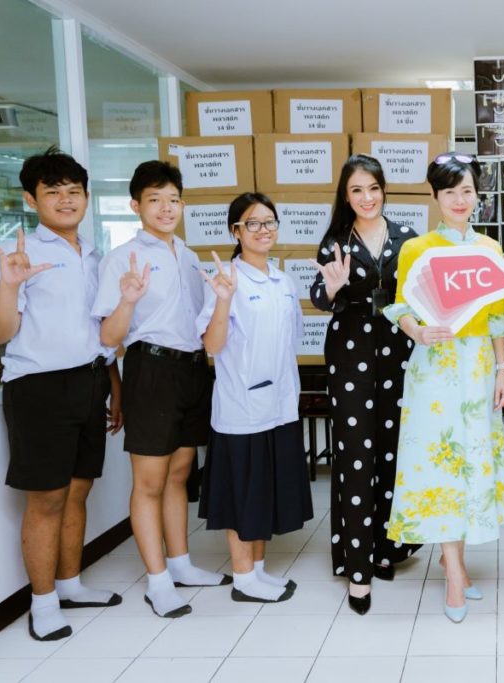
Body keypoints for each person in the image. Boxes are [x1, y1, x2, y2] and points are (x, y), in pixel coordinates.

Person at [0, 147, 123, 641]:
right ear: (30, 198)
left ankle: (70, 584)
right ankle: (42, 604)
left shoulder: (94, 253)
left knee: (80, 489)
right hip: (38, 387)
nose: (65, 200)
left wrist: (114, 387)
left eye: (74, 191)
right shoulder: (13, 254)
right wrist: (8, 285)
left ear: (86, 197)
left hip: (91, 380)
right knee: (46, 499)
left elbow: (100, 331)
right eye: (53, 192)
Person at [93, 160, 227, 619]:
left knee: (179, 472)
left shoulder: (188, 255)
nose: (166, 208)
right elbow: (109, 338)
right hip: (150, 369)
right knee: (149, 481)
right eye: (155, 199)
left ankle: (181, 563)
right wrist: (128, 300)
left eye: (173, 199)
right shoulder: (123, 258)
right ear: (135, 206)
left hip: (191, 370)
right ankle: (157, 581)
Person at [383, 153, 504, 623]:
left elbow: (498, 317)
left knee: (471, 463)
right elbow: (399, 307)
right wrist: (418, 331)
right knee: (440, 464)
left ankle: (453, 557)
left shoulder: (490, 248)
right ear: (435, 197)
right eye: (451, 191)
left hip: (478, 363)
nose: (461, 200)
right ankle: (455, 573)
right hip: (434, 366)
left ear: (478, 195)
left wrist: (502, 369)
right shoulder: (417, 249)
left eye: (468, 191)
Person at [309, 155, 421, 615]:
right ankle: (358, 569)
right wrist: (333, 289)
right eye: (357, 190)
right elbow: (319, 298)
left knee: (392, 452)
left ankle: (384, 549)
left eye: (373, 187)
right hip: (351, 350)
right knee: (356, 455)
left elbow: (421, 294)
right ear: (346, 195)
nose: (367, 197)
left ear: (383, 189)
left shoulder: (407, 238)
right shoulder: (336, 241)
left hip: (399, 349)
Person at [196, 192, 312, 603]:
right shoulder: (226, 279)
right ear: (236, 231)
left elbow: (290, 341)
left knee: (266, 491)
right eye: (253, 223)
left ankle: (259, 571)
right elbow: (212, 345)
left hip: (279, 405)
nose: (263, 230)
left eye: (269, 222)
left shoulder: (283, 280)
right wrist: (224, 300)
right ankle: (243, 578)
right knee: (243, 493)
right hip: (241, 408)